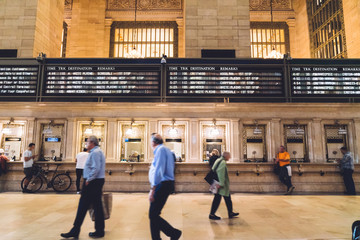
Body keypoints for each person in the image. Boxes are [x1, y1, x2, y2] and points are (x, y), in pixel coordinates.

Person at [61, 136, 106, 239]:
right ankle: (99, 230)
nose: (86, 144)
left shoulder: (95, 153)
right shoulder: (97, 152)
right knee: (97, 206)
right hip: (96, 181)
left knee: (83, 205)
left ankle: (75, 230)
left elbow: (96, 168)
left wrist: (89, 179)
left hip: (92, 182)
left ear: (92, 143)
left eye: (87, 142)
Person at [148, 133, 182, 240]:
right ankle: (156, 238)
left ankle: (174, 233)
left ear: (153, 142)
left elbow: (159, 170)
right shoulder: (166, 150)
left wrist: (153, 189)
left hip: (162, 184)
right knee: (154, 213)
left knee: (152, 215)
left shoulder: (160, 150)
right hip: (165, 184)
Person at [209, 151, 239, 220]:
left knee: (228, 198)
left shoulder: (218, 160)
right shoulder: (222, 162)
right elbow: (221, 173)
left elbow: (213, 169)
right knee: (217, 199)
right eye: (229, 156)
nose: (230, 157)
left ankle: (230, 212)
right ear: (226, 156)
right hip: (221, 185)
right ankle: (212, 214)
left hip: (218, 183)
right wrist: (221, 184)